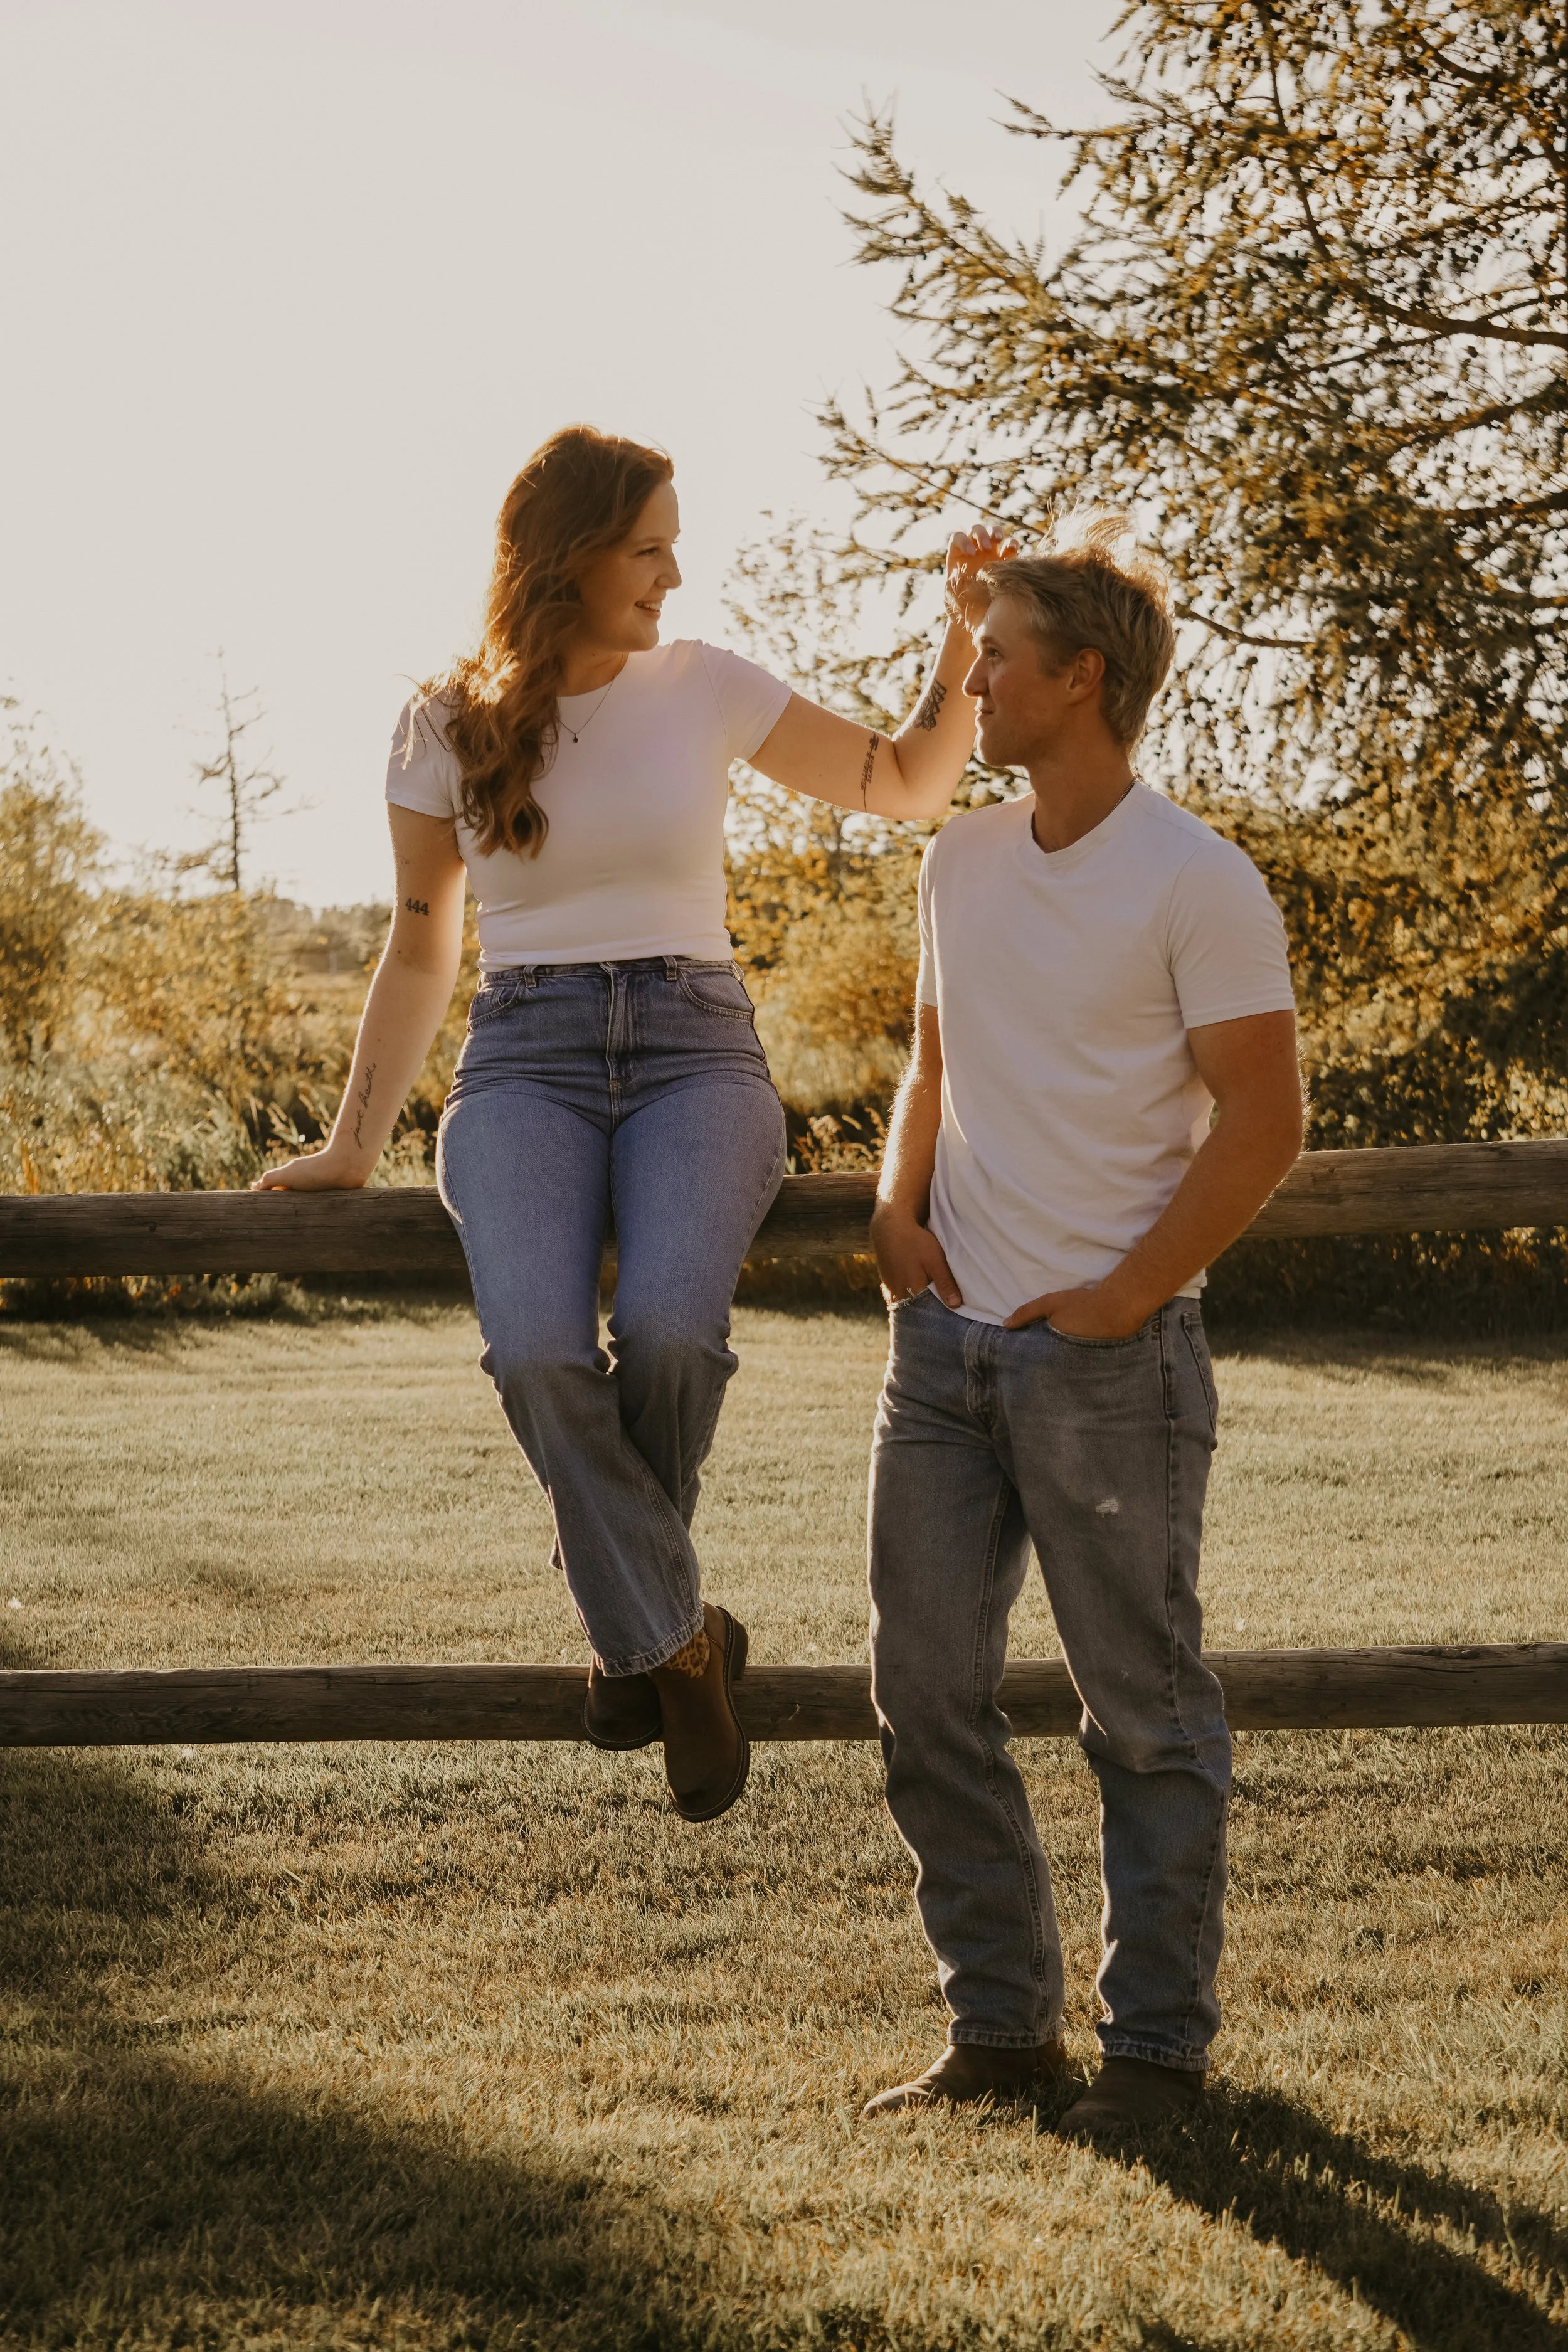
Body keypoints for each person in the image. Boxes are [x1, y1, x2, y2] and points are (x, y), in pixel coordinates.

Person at [257, 424, 997, 1823]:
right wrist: (355, 1141)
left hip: (692, 1050)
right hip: (522, 1054)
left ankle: (629, 1636)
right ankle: (676, 1642)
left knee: (668, 1331)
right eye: (648, 544)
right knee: (535, 1350)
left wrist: (956, 651)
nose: (673, 570)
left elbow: (905, 785)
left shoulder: (704, 685)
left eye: (671, 543)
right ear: (570, 554)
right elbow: (421, 943)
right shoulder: (441, 718)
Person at [862, 515, 1302, 2134]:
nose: (967, 679)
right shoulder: (957, 855)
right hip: (940, 1348)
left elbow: (1262, 1119)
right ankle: (996, 2033)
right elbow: (935, 1042)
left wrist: (1124, 1293)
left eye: (993, 654)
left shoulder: (1196, 875)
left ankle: (1154, 2054)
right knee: (922, 1692)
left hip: (1107, 1364)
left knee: (1142, 1710)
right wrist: (896, 1201)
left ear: (1079, 676)